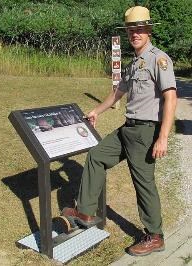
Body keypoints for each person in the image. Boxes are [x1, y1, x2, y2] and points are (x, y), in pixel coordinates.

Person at [61, 6, 177, 256]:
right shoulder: (134, 63)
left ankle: (155, 235)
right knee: (97, 155)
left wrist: (163, 136)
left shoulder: (159, 59)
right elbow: (117, 93)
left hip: (146, 132)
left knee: (143, 183)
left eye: (139, 28)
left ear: (148, 29)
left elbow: (171, 98)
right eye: (130, 29)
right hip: (127, 129)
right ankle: (86, 211)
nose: (135, 33)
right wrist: (96, 111)